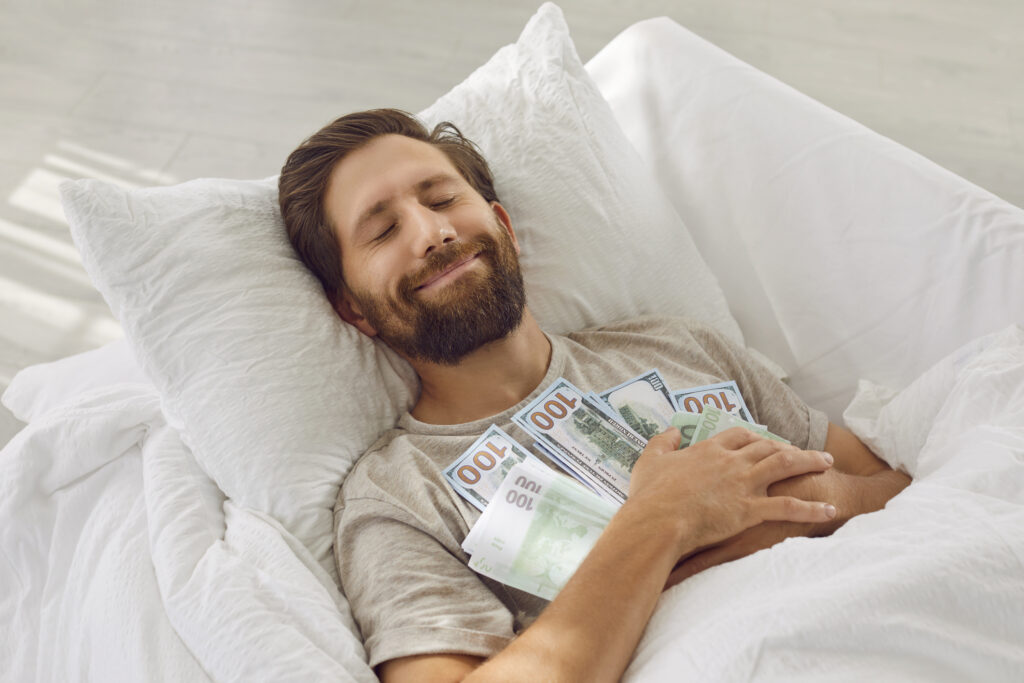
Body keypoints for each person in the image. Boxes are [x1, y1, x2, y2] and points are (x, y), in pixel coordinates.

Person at [278, 109, 911, 682]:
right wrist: (665, 519)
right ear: (353, 309)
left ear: (504, 227)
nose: (431, 232)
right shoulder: (398, 497)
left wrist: (800, 503)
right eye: (383, 231)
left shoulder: (680, 347)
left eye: (442, 198)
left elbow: (898, 492)